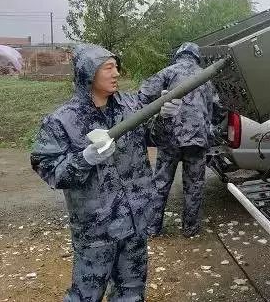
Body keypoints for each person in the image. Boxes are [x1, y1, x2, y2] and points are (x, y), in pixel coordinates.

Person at [30, 43, 180, 302]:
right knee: (86, 294)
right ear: (89, 73)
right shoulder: (62, 120)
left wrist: (165, 119)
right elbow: (47, 167)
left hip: (135, 219)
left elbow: (155, 139)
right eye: (108, 67)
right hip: (97, 228)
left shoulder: (129, 106)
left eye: (117, 67)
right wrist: (84, 159)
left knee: (131, 291)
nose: (116, 73)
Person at [143, 42, 222, 238]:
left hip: (169, 139)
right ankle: (190, 229)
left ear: (179, 55)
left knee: (160, 184)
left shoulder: (168, 72)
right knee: (194, 186)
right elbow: (219, 109)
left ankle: (153, 229)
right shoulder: (207, 77)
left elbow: (143, 94)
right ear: (196, 57)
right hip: (197, 141)